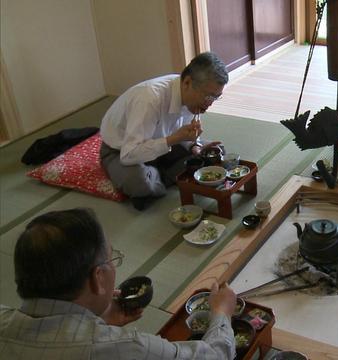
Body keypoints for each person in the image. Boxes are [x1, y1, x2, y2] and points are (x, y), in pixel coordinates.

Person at [0, 208, 238, 359]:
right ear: (98, 278)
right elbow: (214, 357)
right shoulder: (125, 347)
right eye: (112, 258)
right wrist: (221, 313)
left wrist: (97, 321)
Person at [100, 52, 228, 210]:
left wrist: (195, 146)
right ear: (187, 82)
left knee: (216, 151)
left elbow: (183, 136)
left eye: (216, 97)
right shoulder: (149, 99)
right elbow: (128, 155)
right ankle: (160, 178)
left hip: (164, 145)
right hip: (120, 151)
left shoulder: (191, 96)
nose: (210, 104)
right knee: (139, 183)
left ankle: (158, 176)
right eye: (208, 97)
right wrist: (173, 140)